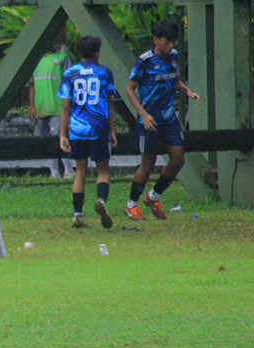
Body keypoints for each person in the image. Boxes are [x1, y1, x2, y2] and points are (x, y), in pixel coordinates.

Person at [124, 20, 201, 220]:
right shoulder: (145, 60)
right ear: (156, 40)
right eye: (167, 41)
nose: (171, 45)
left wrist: (187, 91)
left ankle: (153, 196)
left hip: (169, 118)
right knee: (147, 164)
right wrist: (143, 114)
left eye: (173, 41)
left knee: (178, 159)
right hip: (148, 120)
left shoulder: (173, 57)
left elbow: (174, 80)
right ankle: (131, 205)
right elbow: (129, 89)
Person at [58, 36, 117, 229]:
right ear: (97, 52)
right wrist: (112, 131)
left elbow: (66, 106)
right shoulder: (104, 72)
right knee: (103, 170)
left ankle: (77, 215)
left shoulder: (69, 73)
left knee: (80, 171)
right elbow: (109, 103)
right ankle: (101, 200)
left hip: (77, 129)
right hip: (99, 127)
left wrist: (63, 134)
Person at [29, 40, 76, 179]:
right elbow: (32, 86)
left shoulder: (62, 57)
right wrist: (32, 106)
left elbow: (70, 80)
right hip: (40, 107)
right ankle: (54, 172)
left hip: (58, 107)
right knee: (45, 140)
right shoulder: (35, 61)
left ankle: (69, 170)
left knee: (59, 137)